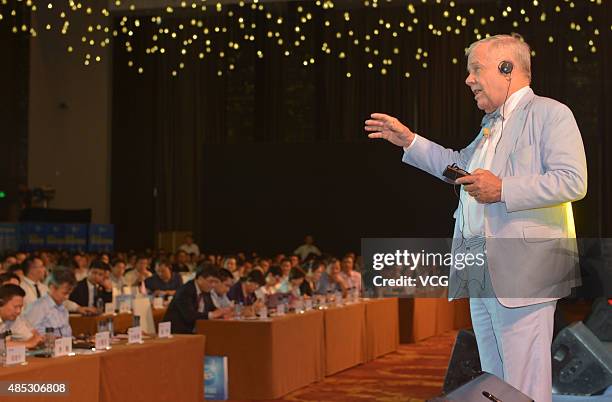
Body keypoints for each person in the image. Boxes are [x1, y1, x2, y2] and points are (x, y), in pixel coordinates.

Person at [365, 34, 587, 402]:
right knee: (497, 385)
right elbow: (458, 167)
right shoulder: (490, 125)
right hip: (481, 272)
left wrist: (504, 189)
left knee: (523, 385)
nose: (468, 80)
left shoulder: (551, 113)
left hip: (524, 275)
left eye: (475, 70)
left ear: (507, 69)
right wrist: (409, 141)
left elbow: (573, 180)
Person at [163, 265, 232, 334]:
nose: (213, 285)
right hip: (176, 333)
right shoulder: (185, 290)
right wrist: (212, 314)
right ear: (200, 279)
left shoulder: (205, 291)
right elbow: (189, 315)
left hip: (195, 331)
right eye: (211, 281)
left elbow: (211, 308)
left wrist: (221, 312)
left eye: (215, 282)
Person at [24, 269, 77, 338]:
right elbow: (28, 334)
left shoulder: (63, 308)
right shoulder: (38, 307)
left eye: (69, 294)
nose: (67, 297)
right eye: (64, 293)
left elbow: (67, 334)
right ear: (52, 287)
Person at [0, 284, 43, 349]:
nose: (18, 311)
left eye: (20, 307)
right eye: (15, 307)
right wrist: (27, 344)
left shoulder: (13, 318)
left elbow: (30, 338)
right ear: (1, 303)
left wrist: (39, 340)